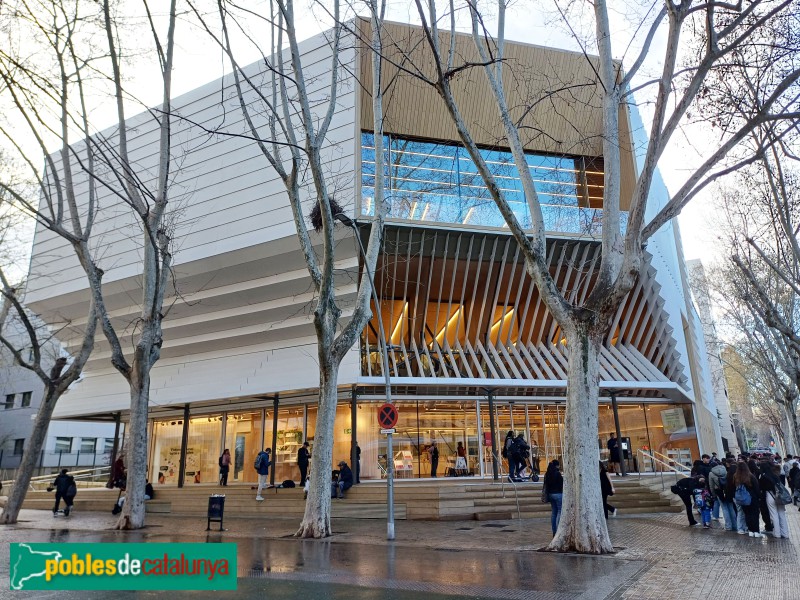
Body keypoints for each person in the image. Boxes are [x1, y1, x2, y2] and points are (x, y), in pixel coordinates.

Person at [729, 461, 762, 537]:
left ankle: (750, 531)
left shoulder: (736, 476)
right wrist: (759, 497)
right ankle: (756, 531)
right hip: (752, 498)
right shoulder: (750, 476)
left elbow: (733, 487)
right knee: (755, 515)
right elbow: (756, 488)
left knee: (747, 514)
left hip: (742, 499)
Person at [760, 463, 790, 539]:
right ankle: (785, 533)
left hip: (770, 495)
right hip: (780, 497)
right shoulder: (775, 476)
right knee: (782, 514)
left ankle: (777, 533)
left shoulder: (764, 477)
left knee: (774, 515)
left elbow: (761, 488)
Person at [710, 459, 736, 531]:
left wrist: (714, 494)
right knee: (731, 507)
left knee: (724, 508)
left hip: (719, 491)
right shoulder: (725, 470)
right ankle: (735, 525)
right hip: (727, 491)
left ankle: (728, 526)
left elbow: (711, 485)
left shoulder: (711, 473)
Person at [544, 460, 563, 535]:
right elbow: (561, 484)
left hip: (550, 494)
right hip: (558, 494)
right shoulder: (557, 473)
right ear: (556, 465)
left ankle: (554, 531)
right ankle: (558, 530)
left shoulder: (547, 474)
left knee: (554, 512)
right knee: (559, 511)